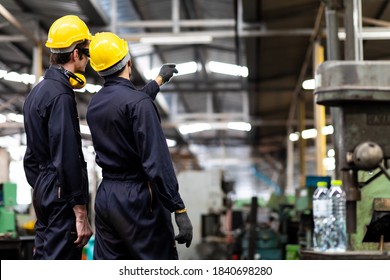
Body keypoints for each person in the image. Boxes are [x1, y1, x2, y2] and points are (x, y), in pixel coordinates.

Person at [87, 32, 193, 260]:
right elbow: (158, 162)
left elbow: (126, 105)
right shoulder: (139, 104)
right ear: (128, 61)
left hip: (106, 197)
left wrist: (158, 81)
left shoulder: (95, 104)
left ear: (98, 69)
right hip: (138, 199)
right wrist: (179, 208)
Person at [23, 15, 93, 259]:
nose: (89, 59)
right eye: (87, 52)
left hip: (44, 190)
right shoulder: (61, 96)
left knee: (44, 259)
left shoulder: (37, 92)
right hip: (61, 195)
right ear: (76, 54)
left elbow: (30, 156)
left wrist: (43, 186)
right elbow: (67, 155)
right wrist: (80, 211)